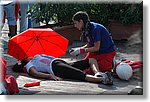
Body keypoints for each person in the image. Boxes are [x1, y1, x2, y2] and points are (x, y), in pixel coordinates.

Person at [12, 54, 113, 85]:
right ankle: (103, 80)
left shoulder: (35, 56)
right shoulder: (29, 65)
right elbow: (36, 73)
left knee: (91, 60)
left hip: (61, 63)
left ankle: (98, 73)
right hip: (56, 68)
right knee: (80, 75)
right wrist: (50, 76)